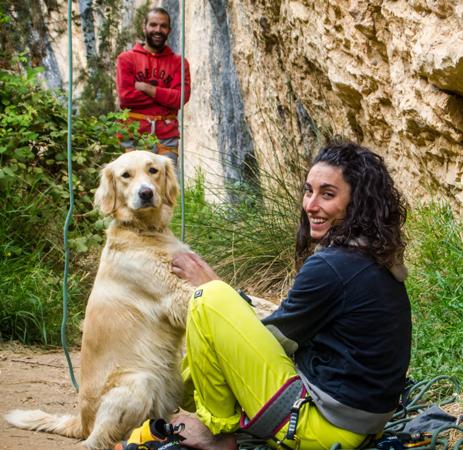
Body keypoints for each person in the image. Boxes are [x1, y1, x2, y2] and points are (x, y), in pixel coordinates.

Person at [161, 142, 412, 449]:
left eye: (328, 194)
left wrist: (215, 287)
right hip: (360, 427)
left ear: (357, 203)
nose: (311, 204)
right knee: (216, 306)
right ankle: (168, 398)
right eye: (309, 191)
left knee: (209, 298)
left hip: (321, 430)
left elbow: (269, 340)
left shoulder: (332, 266)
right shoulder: (373, 256)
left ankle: (215, 433)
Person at [115, 7, 191, 166]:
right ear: (145, 27)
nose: (158, 30)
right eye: (153, 25)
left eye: (163, 26)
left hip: (166, 138)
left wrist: (147, 89)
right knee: (135, 189)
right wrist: (165, 97)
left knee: (166, 189)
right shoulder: (127, 59)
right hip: (134, 137)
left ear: (169, 30)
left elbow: (180, 99)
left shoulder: (179, 63)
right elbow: (126, 97)